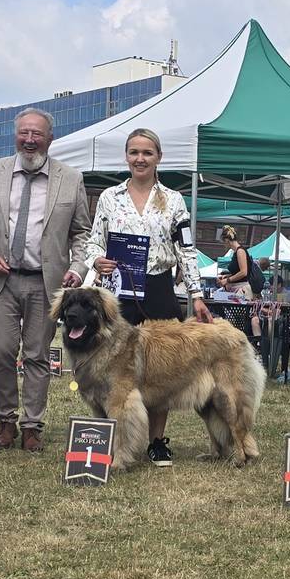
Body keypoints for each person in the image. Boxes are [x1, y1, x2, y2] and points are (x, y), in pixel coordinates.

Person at [0, 107, 91, 452]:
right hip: (1, 279)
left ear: (50, 139)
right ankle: (5, 421)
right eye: (24, 133)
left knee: (37, 356)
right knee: (1, 353)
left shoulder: (71, 179)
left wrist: (78, 268)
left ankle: (32, 425)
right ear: (15, 135)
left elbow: (82, 232)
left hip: (46, 284)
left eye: (37, 134)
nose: (30, 140)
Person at [88, 127, 213, 467]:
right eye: (134, 152)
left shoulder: (173, 200)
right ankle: (115, 440)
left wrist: (197, 295)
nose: (140, 158)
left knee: (159, 368)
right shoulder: (109, 198)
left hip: (158, 289)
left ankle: (157, 441)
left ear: (159, 157)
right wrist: (96, 260)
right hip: (118, 292)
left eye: (147, 153)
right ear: (126, 157)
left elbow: (186, 250)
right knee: (115, 371)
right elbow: (94, 242)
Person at [217, 226, 254, 299]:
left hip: (241, 291)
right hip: (236, 290)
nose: (224, 245)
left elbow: (244, 272)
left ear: (227, 240)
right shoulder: (236, 252)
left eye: (224, 242)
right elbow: (239, 271)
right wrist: (227, 276)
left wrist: (227, 280)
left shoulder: (240, 251)